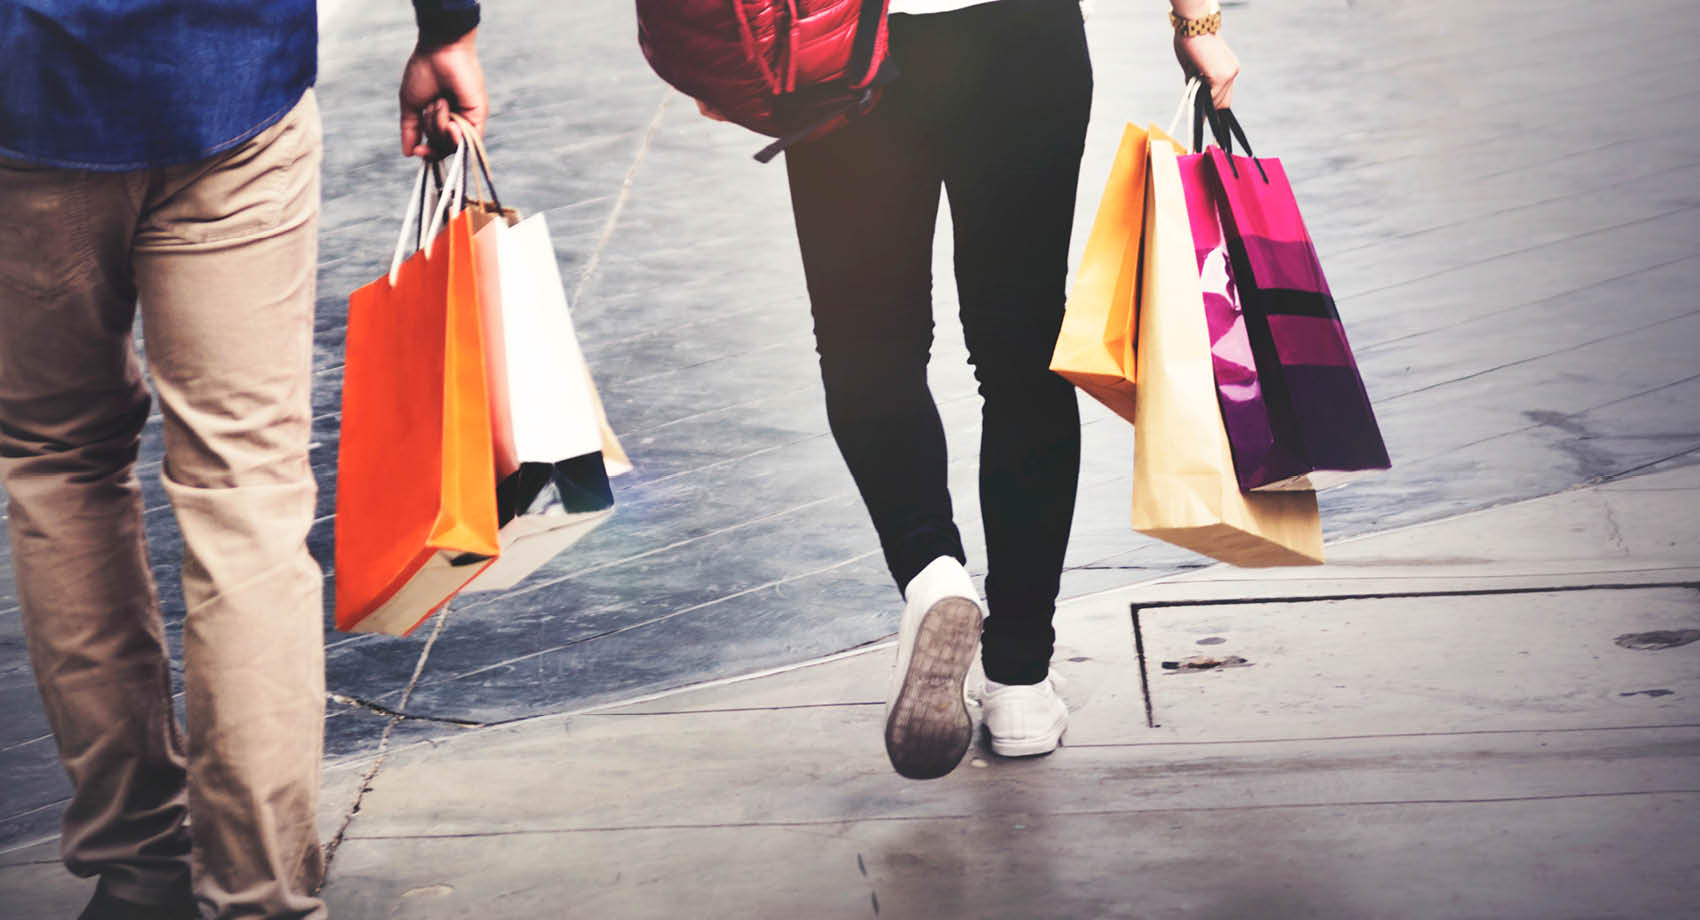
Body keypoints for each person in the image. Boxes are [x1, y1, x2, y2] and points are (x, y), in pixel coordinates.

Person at [0, 2, 485, 916]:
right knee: (247, 488)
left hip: (23, 106)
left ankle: (136, 866)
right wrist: (445, 28)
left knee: (59, 466)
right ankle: (257, 891)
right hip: (232, 82)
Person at [777, 0, 1239, 779]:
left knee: (868, 341)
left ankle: (932, 571)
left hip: (841, 41)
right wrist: (1197, 23)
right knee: (1021, 349)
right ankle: (1020, 678)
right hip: (1021, 36)